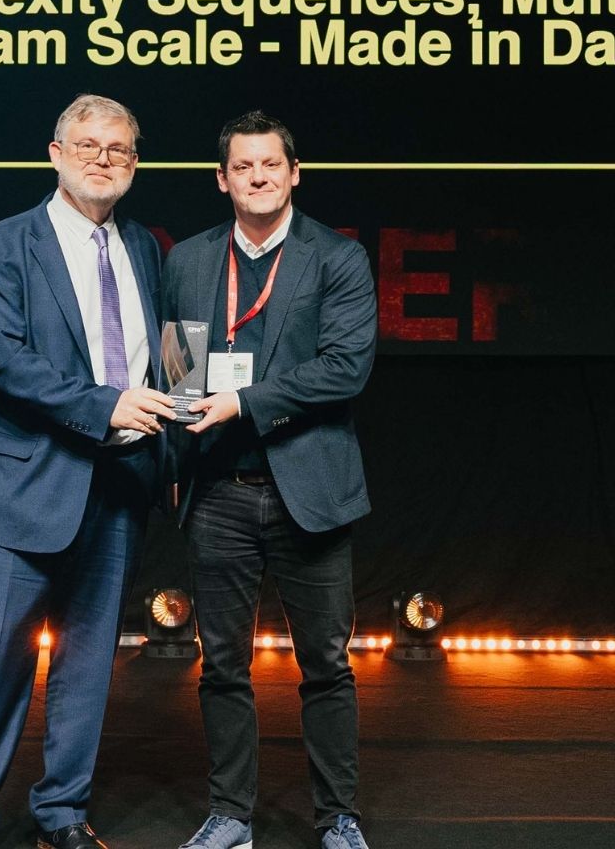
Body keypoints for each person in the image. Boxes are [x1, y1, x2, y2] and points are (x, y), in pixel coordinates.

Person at [0, 94, 176, 849]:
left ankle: (63, 814)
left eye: (119, 149)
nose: (104, 159)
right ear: (55, 154)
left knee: (89, 663)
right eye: (88, 145)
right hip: (30, 484)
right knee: (0, 656)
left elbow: (165, 352)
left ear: (134, 163)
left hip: (122, 483)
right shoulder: (3, 249)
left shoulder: (146, 249)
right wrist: (107, 406)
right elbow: (6, 363)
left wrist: (180, 417)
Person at [162, 110, 377, 849]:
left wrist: (243, 403)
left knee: (326, 666)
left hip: (308, 493)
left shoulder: (337, 258)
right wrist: (176, 431)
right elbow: (181, 371)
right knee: (222, 665)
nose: (258, 177)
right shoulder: (189, 261)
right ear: (222, 180)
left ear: (294, 173)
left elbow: (344, 370)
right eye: (243, 167)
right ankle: (231, 816)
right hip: (218, 494)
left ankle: (338, 818)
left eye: (271, 164)